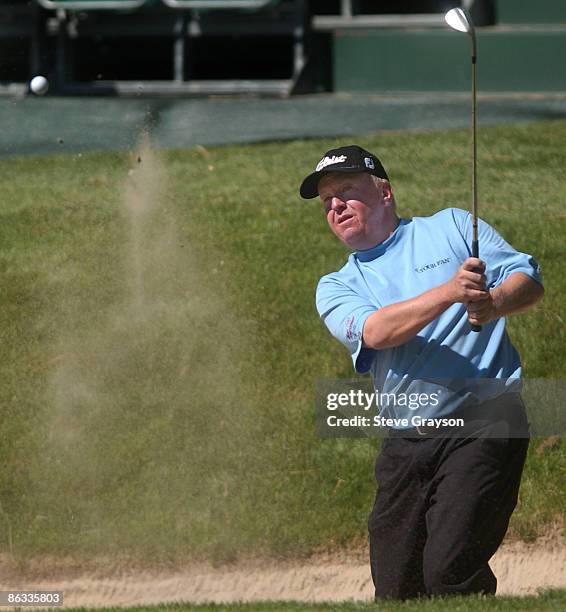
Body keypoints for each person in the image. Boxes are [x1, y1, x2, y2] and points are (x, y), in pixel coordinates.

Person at [299, 144, 544, 600]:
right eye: (327, 200)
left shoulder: (450, 226)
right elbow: (376, 331)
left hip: (487, 419)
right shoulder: (336, 285)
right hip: (406, 440)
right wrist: (450, 292)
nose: (335, 205)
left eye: (346, 191)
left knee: (450, 570)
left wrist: (493, 304)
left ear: (385, 192)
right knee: (396, 589)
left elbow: (527, 280)